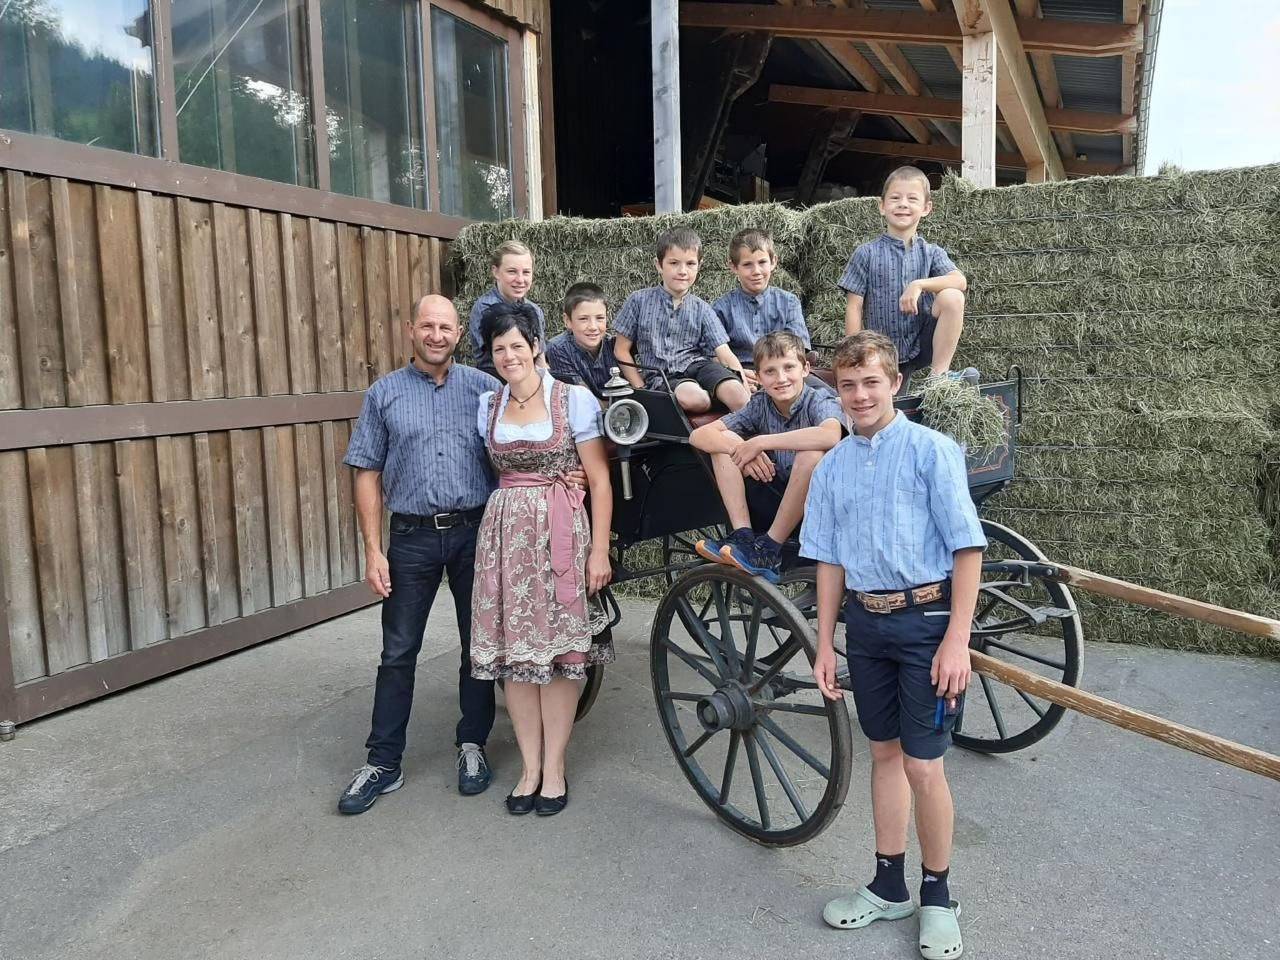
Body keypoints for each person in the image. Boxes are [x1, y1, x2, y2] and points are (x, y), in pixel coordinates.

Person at [800, 331, 986, 960]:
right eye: (848, 385)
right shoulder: (832, 467)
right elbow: (826, 561)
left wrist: (956, 639)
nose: (859, 395)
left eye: (871, 382)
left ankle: (938, 897)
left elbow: (967, 548)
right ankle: (888, 885)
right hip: (867, 626)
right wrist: (825, 643)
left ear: (895, 384)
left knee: (923, 765)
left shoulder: (933, 451)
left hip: (926, 623)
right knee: (884, 754)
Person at [337, 294, 501, 815]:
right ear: (411, 329)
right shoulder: (384, 394)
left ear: (459, 333)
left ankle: (472, 745)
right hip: (409, 538)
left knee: (477, 645)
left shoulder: (485, 390)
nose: (436, 335)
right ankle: (383, 762)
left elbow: (523, 441)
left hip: (475, 532)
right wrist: (371, 549)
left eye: (445, 327)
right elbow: (366, 472)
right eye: (427, 326)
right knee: (398, 651)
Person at [471, 302, 615, 817]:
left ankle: (554, 767)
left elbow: (598, 478)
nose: (509, 355)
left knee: (559, 657)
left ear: (536, 346)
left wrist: (600, 549)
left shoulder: (572, 399)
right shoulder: (487, 404)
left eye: (517, 345)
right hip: (505, 536)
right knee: (516, 656)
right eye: (499, 348)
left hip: (561, 532)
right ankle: (528, 768)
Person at [689, 332, 843, 584]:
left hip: (819, 510)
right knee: (722, 444)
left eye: (789, 368)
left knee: (811, 454)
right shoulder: (760, 403)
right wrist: (740, 447)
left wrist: (760, 442)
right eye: (770, 372)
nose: (781, 378)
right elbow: (699, 436)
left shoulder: (818, 399)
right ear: (758, 377)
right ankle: (744, 536)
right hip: (778, 496)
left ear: (805, 369)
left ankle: (770, 549)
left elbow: (830, 434)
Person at [840, 166, 976, 390]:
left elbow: (960, 281)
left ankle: (938, 378)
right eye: (895, 198)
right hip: (882, 350)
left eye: (912, 198)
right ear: (882, 206)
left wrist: (919, 284)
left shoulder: (931, 252)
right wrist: (854, 357)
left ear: (926, 208)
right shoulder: (866, 253)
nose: (903, 204)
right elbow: (854, 307)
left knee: (952, 297)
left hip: (922, 343)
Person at [614, 227, 752, 414]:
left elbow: (725, 354)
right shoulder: (638, 300)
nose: (682, 271)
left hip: (698, 366)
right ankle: (714, 400)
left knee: (737, 394)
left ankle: (757, 433)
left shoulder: (702, 308)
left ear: (699, 266)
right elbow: (621, 350)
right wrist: (640, 388)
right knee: (696, 399)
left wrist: (743, 385)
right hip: (662, 375)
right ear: (658, 264)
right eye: (673, 263)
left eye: (690, 264)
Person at [712, 227, 812, 371]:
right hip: (741, 372)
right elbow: (711, 355)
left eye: (762, 262)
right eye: (747, 265)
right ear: (733, 267)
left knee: (826, 392)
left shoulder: (789, 302)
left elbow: (799, 348)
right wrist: (737, 372)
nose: (756, 271)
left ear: (773, 262)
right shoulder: (721, 308)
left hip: (784, 371)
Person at [468, 240, 546, 376]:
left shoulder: (535, 310)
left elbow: (540, 358)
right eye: (512, 272)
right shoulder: (485, 309)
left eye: (526, 272)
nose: (520, 279)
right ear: (496, 272)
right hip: (496, 379)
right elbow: (499, 359)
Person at [544, 281, 619, 398]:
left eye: (600, 318)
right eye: (583, 319)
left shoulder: (614, 345)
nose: (593, 327)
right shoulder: (558, 348)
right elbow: (582, 398)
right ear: (567, 320)